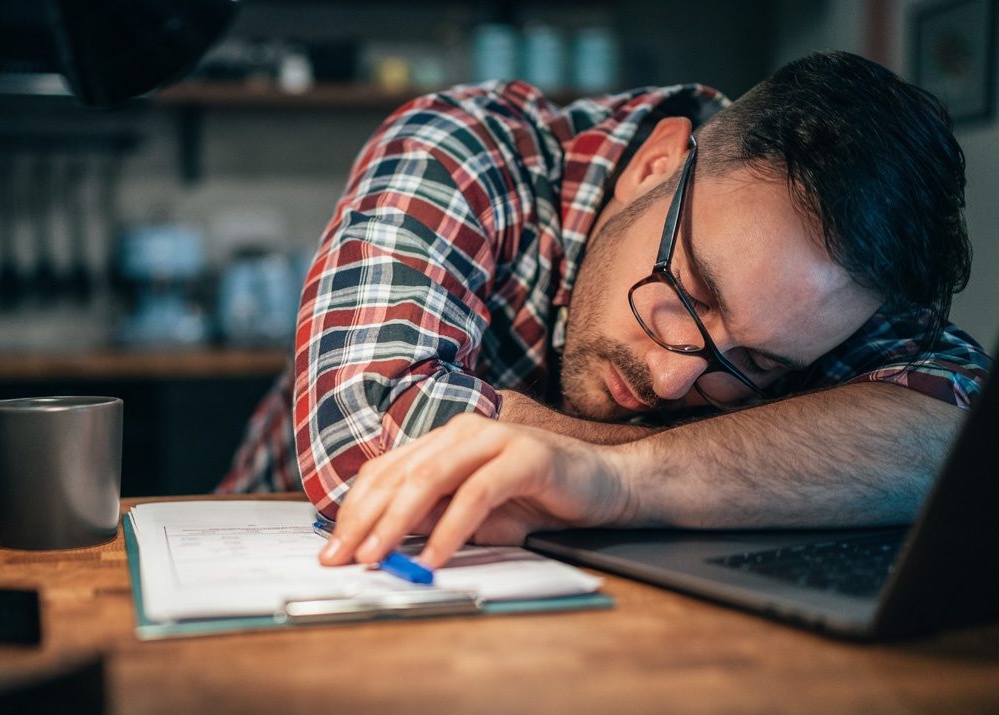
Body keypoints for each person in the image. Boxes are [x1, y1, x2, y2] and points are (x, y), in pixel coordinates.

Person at [216, 50, 991, 569]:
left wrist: (620, 481)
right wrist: (747, 462)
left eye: (752, 365)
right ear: (655, 165)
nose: (672, 377)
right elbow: (368, 431)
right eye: (688, 293)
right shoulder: (471, 146)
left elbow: (959, 440)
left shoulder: (842, 287)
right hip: (275, 579)